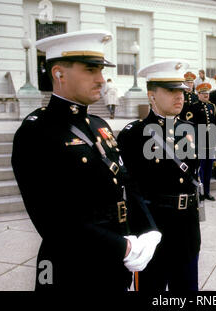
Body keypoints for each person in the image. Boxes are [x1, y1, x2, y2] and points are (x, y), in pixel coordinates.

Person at [11, 30, 161, 291]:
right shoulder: (37, 132)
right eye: (91, 70)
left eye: (101, 70)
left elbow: (126, 181)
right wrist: (123, 247)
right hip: (74, 270)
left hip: (116, 265)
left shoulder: (99, 124)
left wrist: (149, 229)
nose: (101, 79)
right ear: (59, 73)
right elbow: (53, 220)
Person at [117, 59, 202, 291]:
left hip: (187, 230)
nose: (180, 97)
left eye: (182, 91)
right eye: (171, 91)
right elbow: (129, 190)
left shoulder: (192, 131)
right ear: (152, 95)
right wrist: (139, 234)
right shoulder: (134, 135)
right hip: (154, 230)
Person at [187, 82, 216, 201]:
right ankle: (198, 193)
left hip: (210, 144)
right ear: (198, 94)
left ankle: (207, 192)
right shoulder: (193, 107)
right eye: (203, 93)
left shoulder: (212, 107)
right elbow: (190, 126)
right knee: (199, 170)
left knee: (208, 170)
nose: (206, 95)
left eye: (207, 93)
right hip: (199, 143)